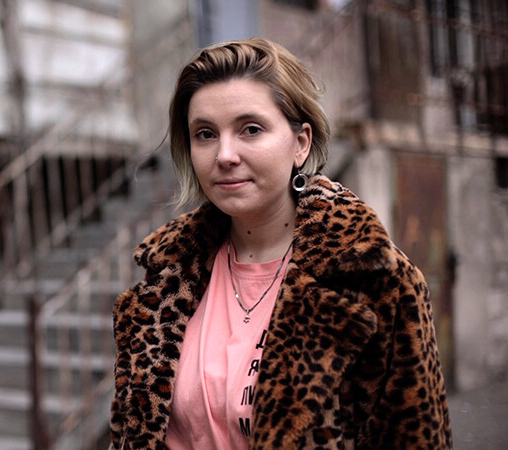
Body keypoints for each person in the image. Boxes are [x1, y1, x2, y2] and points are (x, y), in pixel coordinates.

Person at [109, 38, 451, 449]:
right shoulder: (165, 281)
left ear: (301, 143)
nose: (225, 155)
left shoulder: (375, 283)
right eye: (205, 134)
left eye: (250, 129)